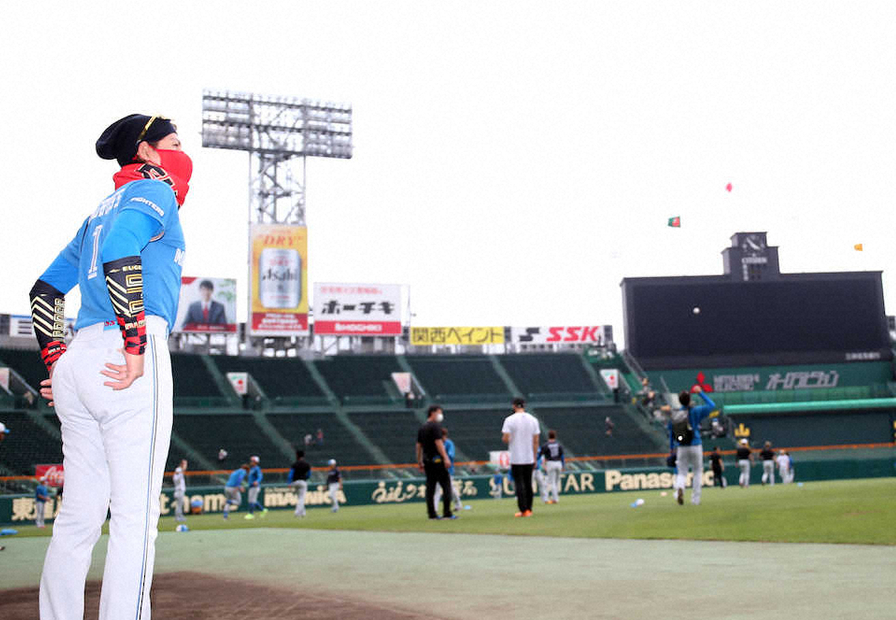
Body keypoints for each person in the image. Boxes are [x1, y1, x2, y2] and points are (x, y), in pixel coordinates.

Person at [32, 113, 191, 619]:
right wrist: (135, 343)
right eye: (172, 143)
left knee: (78, 518)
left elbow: (44, 292)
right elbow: (122, 251)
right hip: (124, 355)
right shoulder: (154, 191)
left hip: (80, 356)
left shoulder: (97, 211)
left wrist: (57, 362)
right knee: (134, 517)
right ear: (145, 151)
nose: (181, 153)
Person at [663, 386, 717, 506]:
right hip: (696, 444)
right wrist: (700, 393)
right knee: (697, 472)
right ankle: (695, 500)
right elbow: (712, 405)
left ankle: (680, 489)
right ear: (689, 399)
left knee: (682, 473)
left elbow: (671, 433)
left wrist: (672, 448)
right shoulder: (696, 411)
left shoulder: (676, 414)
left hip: (681, 446)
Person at [501, 397, 540, 517]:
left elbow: (506, 438)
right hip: (529, 456)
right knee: (528, 484)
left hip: (516, 457)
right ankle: (529, 508)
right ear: (524, 405)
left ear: (513, 406)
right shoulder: (533, 420)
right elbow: (536, 441)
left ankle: (523, 509)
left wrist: (506, 439)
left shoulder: (509, 420)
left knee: (519, 483)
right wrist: (534, 457)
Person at [415, 406, 454, 520]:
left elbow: (418, 446)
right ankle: (447, 513)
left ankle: (432, 514)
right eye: (439, 413)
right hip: (438, 460)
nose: (440, 415)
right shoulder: (435, 426)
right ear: (433, 413)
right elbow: (438, 443)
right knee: (446, 486)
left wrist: (419, 461)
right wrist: (445, 457)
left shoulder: (422, 428)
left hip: (427, 461)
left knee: (430, 488)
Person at [433, 427, 463, 514]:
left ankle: (458, 504)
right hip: (438, 470)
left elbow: (451, 455)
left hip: (447, 470)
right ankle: (434, 509)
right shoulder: (437, 444)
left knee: (450, 489)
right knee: (437, 489)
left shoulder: (449, 443)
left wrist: (442, 457)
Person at [539, 430, 565, 504]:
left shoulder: (546, 445)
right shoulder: (559, 444)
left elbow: (540, 454)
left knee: (552, 482)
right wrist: (563, 465)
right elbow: (562, 456)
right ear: (555, 436)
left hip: (550, 463)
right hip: (558, 463)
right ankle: (555, 497)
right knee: (556, 482)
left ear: (548, 436)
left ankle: (555, 499)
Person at [288, 449, 311, 517]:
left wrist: (289, 483)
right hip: (303, 482)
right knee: (301, 498)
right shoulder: (307, 464)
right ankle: (297, 512)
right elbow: (309, 474)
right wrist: (305, 478)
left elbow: (290, 475)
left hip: (295, 482)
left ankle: (303, 512)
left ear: (297, 455)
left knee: (300, 497)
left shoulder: (294, 464)